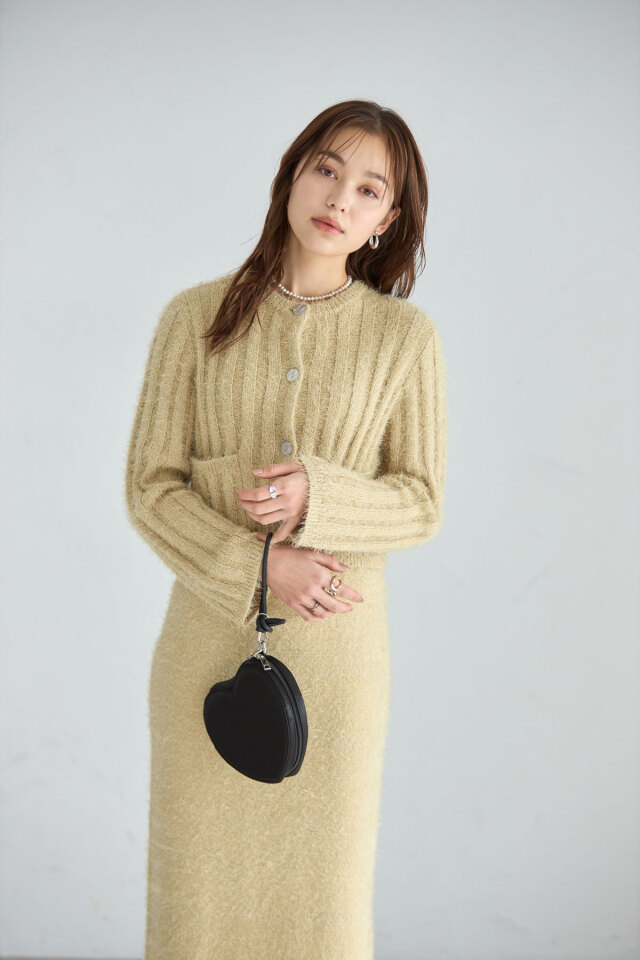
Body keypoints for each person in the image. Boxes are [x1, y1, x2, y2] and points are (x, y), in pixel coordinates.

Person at [124, 98, 448, 959]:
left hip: (339, 666)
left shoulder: (405, 340)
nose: (340, 197)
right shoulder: (193, 318)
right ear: (293, 175)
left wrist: (319, 496)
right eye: (326, 169)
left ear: (387, 221)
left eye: (369, 189)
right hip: (205, 654)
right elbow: (150, 488)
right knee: (196, 905)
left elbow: (420, 500)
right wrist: (258, 565)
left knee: (321, 912)